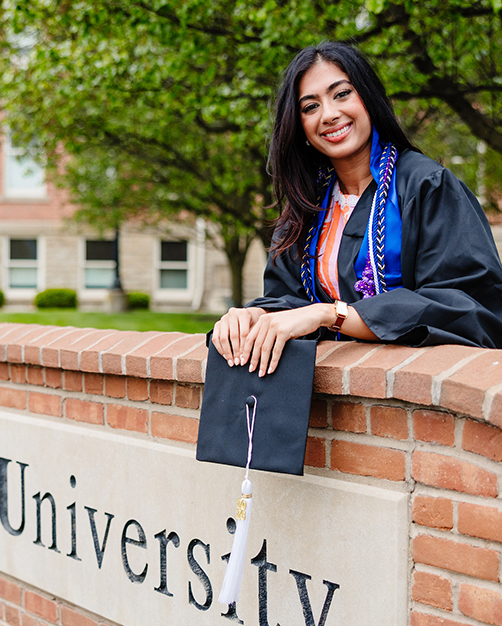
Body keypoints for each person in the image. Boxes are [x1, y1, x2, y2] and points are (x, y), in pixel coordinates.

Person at [212, 41, 502, 377]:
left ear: (368, 98)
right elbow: (287, 301)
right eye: (310, 107)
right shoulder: (306, 208)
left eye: (342, 94)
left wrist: (332, 314)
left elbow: (469, 307)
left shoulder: (426, 186)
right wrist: (253, 315)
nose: (329, 114)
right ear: (300, 126)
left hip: (413, 395)